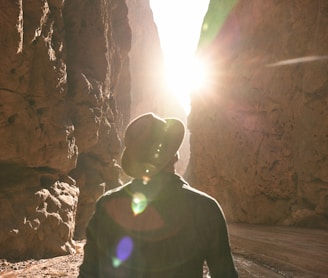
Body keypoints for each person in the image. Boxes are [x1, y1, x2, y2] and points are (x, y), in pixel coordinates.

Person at [79, 112, 238, 277]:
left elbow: (88, 273)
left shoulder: (106, 205)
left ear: (136, 161)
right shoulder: (206, 208)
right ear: (175, 155)